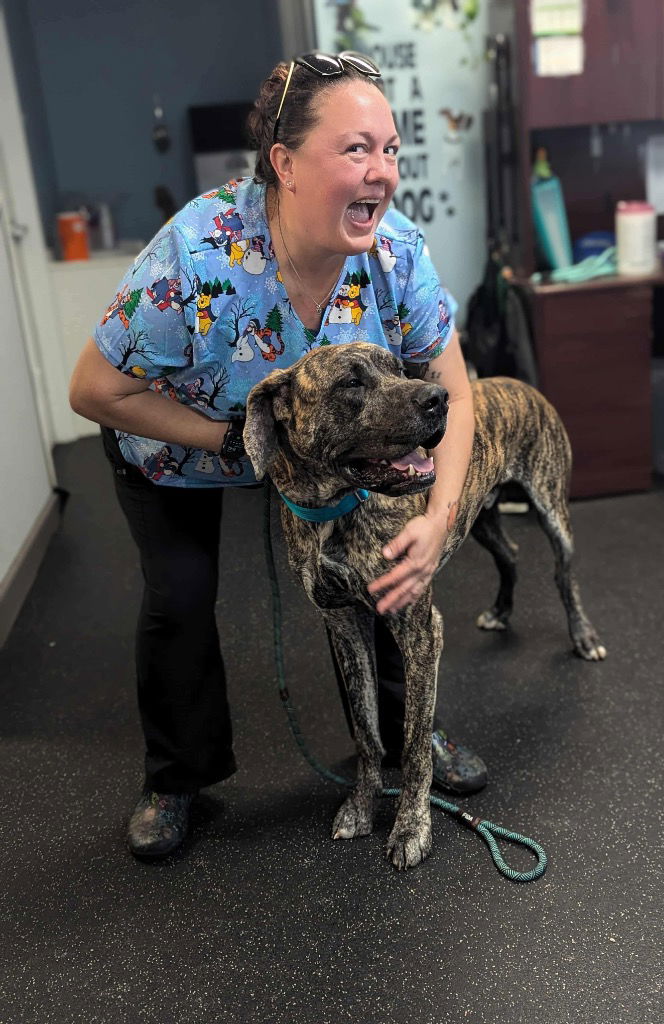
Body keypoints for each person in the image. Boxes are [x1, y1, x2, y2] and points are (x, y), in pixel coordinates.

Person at [69, 50, 487, 860]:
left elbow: (456, 395)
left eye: (390, 149)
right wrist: (234, 439)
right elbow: (92, 389)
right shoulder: (196, 257)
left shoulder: (396, 254)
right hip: (176, 440)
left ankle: (407, 739)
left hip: (326, 448)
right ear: (285, 164)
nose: (382, 171)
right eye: (355, 149)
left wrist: (438, 519)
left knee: (380, 574)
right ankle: (176, 778)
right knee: (181, 594)